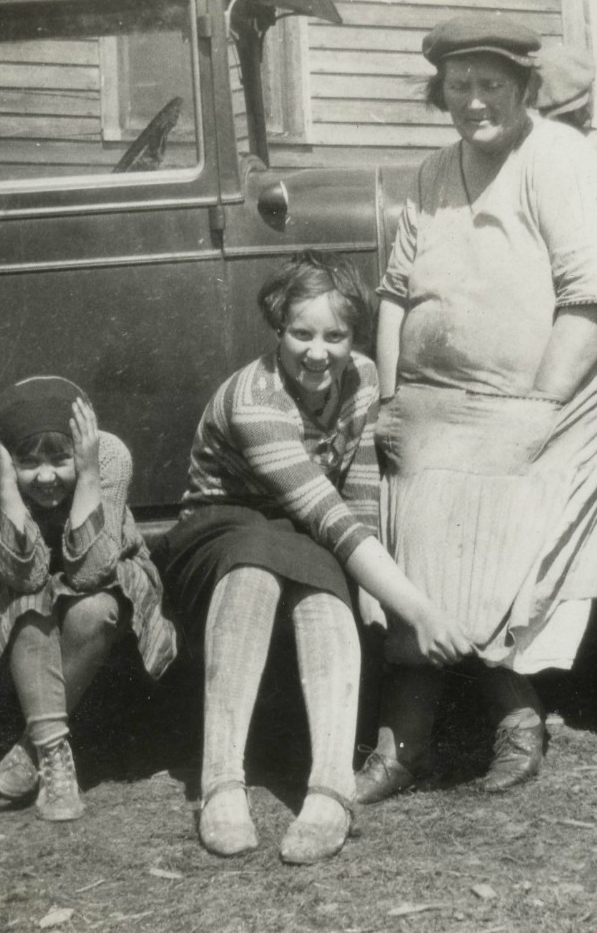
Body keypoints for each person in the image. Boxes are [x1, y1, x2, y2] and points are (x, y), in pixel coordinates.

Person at [356, 15, 597, 804]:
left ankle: (517, 724)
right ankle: (402, 743)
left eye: (492, 85)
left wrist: (534, 409)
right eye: (459, 86)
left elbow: (594, 304)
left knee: (496, 550)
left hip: (557, 397)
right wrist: (390, 402)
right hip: (438, 403)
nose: (474, 101)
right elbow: (392, 296)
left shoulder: (564, 163)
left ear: (525, 89)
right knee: (411, 529)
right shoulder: (430, 172)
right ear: (439, 91)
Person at [156, 251, 472, 865]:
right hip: (220, 530)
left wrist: (374, 603)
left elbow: (354, 502)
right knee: (254, 566)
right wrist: (420, 613)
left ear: (354, 336)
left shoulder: (363, 383)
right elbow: (328, 516)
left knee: (324, 586)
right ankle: (221, 783)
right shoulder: (253, 401)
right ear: (278, 330)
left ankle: (330, 789)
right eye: (301, 333)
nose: (318, 351)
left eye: (336, 334)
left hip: (303, 527)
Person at [0, 377, 177, 821]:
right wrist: (8, 490)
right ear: (10, 457)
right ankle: (55, 765)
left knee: (96, 610)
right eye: (29, 462)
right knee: (30, 609)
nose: (45, 477)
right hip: (21, 587)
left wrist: (87, 475)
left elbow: (91, 572)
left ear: (80, 448)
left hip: (105, 575)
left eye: (60, 459)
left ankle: (33, 748)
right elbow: (23, 577)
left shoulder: (108, 455)